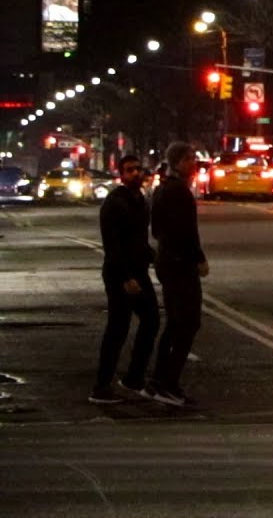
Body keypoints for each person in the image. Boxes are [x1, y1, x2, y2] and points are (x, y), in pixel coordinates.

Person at [88, 155, 159, 405]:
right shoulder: (114, 203)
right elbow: (113, 245)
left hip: (138, 271)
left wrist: (153, 257)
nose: (136, 173)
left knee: (151, 320)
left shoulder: (141, 201)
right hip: (120, 274)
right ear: (121, 174)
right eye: (130, 170)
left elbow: (139, 241)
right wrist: (126, 277)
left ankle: (134, 377)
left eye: (138, 169)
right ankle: (101, 386)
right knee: (117, 329)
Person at [149, 142, 208, 407]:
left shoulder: (162, 189)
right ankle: (168, 383)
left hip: (167, 260)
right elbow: (186, 230)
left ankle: (158, 381)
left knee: (175, 323)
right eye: (190, 159)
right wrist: (198, 258)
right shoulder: (179, 192)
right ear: (179, 162)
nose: (194, 163)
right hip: (179, 264)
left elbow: (157, 228)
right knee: (187, 322)